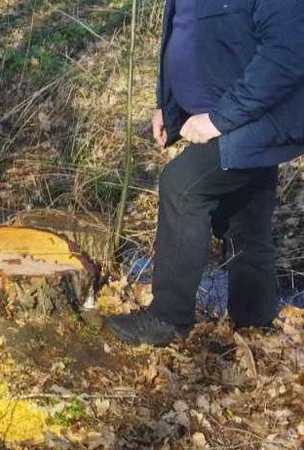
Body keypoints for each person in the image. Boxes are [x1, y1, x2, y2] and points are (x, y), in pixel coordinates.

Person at [106, 0, 304, 346]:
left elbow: (287, 54)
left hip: (258, 119)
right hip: (233, 117)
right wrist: (166, 107)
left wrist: (218, 119)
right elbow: (182, 34)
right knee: (245, 216)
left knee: (182, 187)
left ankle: (169, 318)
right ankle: (254, 324)